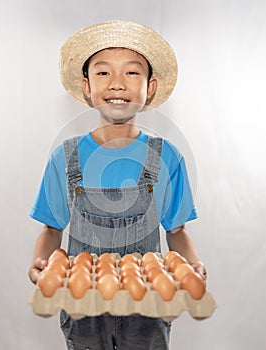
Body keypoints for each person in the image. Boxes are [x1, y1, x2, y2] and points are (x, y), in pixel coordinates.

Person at [28, 20, 207, 350]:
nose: (117, 84)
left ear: (150, 87)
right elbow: (51, 229)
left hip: (148, 307)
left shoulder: (167, 157)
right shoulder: (65, 157)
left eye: (132, 72)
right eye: (103, 72)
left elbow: (177, 231)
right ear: (86, 86)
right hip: (82, 307)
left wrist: (190, 268)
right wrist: (42, 267)